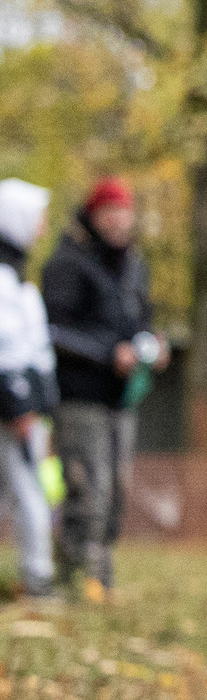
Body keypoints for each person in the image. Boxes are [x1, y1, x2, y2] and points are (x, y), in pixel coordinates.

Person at [42, 178, 165, 601]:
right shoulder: (67, 263)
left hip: (121, 396)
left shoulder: (134, 265)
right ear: (93, 215)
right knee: (87, 488)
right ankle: (75, 578)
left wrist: (153, 343)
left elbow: (140, 318)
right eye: (109, 211)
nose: (118, 220)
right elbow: (53, 330)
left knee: (116, 489)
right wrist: (107, 354)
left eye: (124, 211)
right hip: (79, 395)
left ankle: (99, 577)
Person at [0, 179, 58, 601]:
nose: (43, 228)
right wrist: (19, 405)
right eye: (38, 219)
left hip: (27, 407)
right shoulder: (4, 280)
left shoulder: (18, 277)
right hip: (13, 409)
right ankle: (37, 576)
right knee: (27, 489)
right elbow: (7, 349)